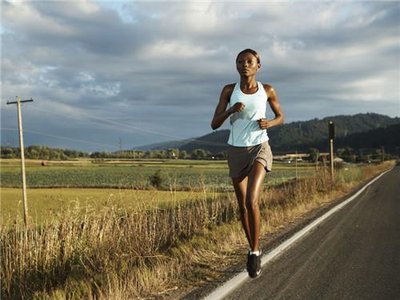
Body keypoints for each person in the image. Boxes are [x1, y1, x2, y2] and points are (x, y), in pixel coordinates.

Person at [211, 49, 284, 278]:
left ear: (258, 66)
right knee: (242, 205)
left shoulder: (267, 90)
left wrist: (269, 124)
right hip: (236, 150)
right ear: (236, 66)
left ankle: (254, 252)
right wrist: (231, 110)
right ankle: (252, 245)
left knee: (252, 199)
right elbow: (214, 123)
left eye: (249, 62)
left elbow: (281, 116)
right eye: (240, 61)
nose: (244, 65)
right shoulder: (228, 90)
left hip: (260, 147)